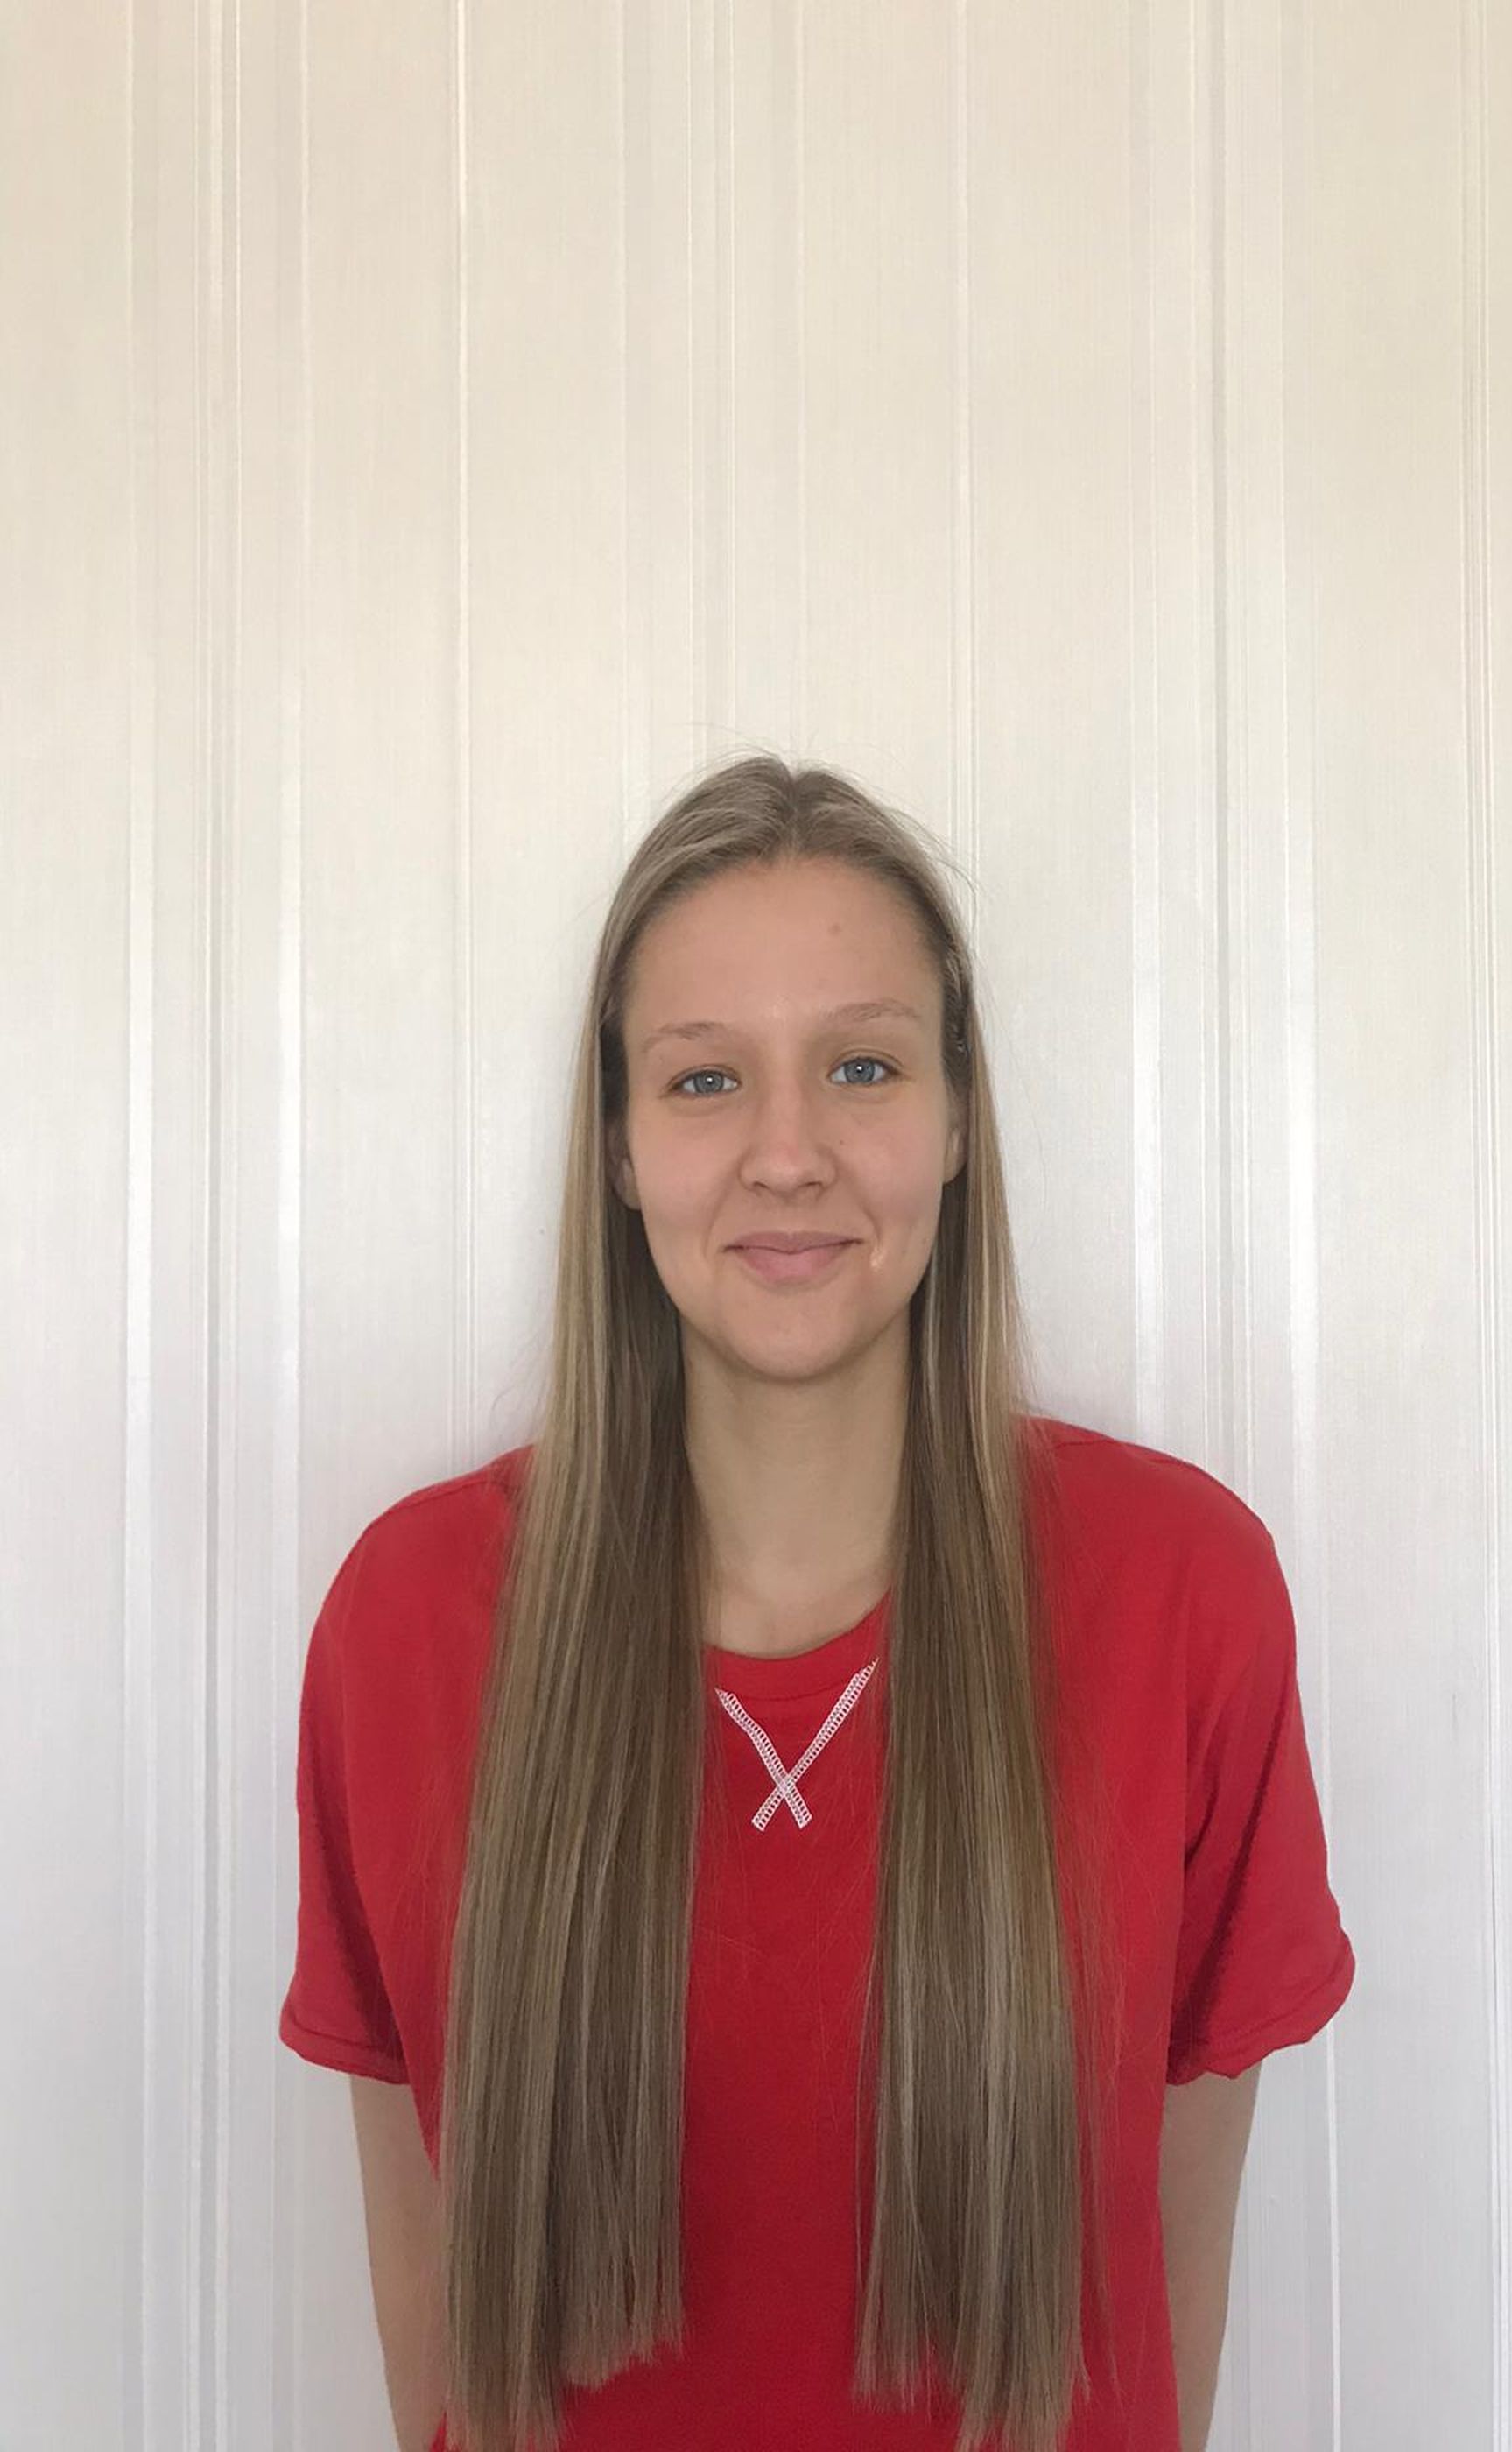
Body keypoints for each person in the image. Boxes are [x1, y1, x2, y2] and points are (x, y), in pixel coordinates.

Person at [279, 752, 1356, 2452]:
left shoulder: (1183, 1597)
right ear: (620, 1144)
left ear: (956, 1118)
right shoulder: (406, 1625)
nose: (788, 1155)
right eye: (705, 1078)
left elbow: (1169, 2264)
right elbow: (436, 2314)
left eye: (862, 1064)